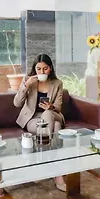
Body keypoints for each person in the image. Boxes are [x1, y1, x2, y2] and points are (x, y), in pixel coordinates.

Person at [13, 54, 66, 191]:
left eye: (45, 69)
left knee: (48, 114)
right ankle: (57, 172)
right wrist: (26, 85)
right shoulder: (28, 80)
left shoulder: (57, 83)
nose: (42, 72)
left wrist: (51, 107)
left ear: (50, 68)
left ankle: (42, 164)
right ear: (34, 69)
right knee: (56, 127)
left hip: (52, 114)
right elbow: (17, 103)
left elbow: (58, 107)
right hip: (32, 119)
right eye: (39, 69)